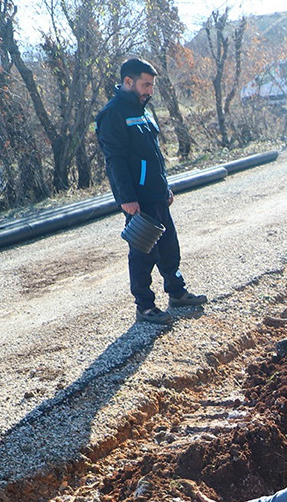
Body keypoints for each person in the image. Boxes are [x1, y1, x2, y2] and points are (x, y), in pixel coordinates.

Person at [96, 58, 206, 326]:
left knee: (169, 248)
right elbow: (115, 161)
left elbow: (153, 155)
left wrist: (164, 186)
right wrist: (127, 198)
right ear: (128, 82)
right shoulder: (113, 113)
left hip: (156, 193)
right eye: (146, 84)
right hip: (138, 198)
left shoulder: (142, 110)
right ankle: (145, 307)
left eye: (152, 85)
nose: (150, 90)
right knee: (143, 254)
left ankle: (177, 293)